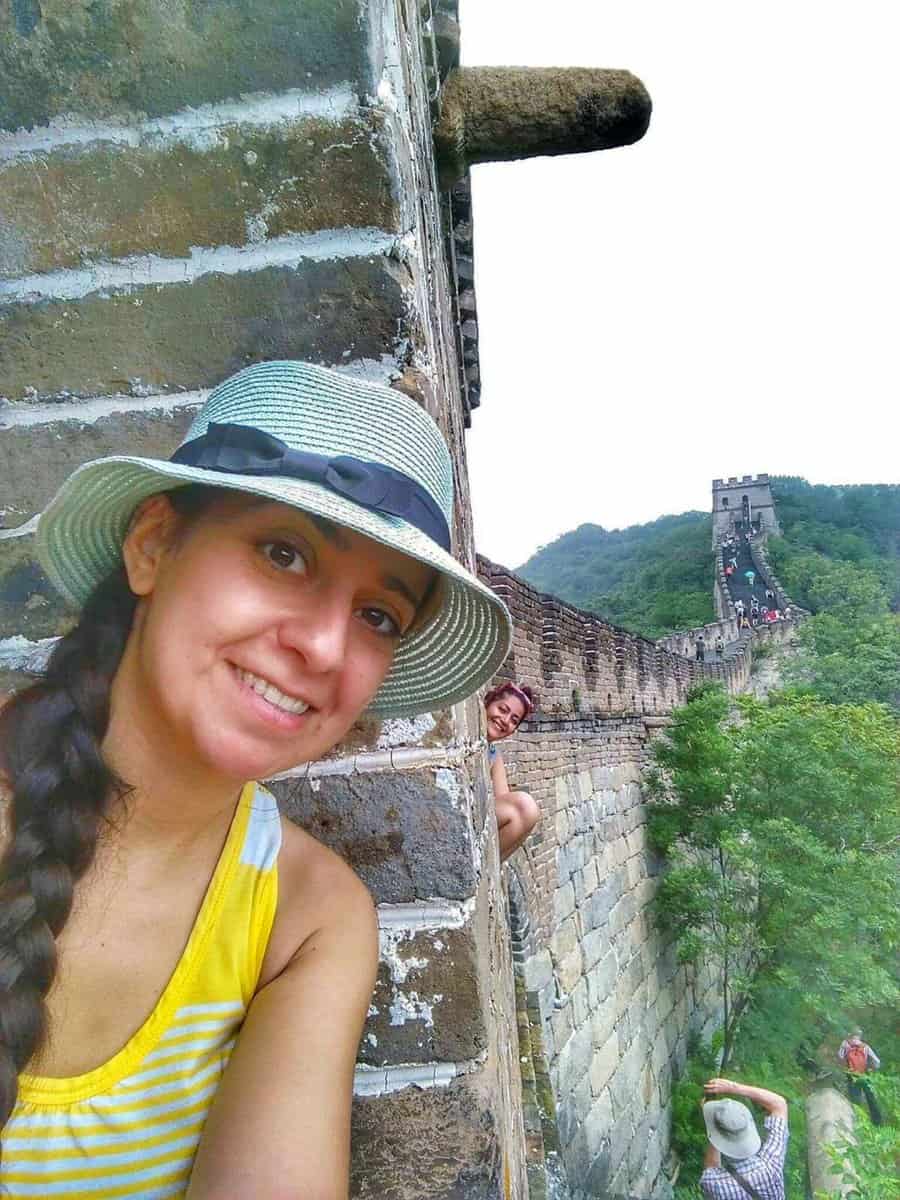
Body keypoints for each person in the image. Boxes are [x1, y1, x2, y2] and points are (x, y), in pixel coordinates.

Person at [0, 360, 511, 1196]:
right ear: (153, 546)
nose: (325, 648)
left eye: (377, 615)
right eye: (283, 554)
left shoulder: (307, 918)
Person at [700, 1077, 789, 1199]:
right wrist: (732, 1087)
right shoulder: (771, 1165)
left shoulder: (714, 1183)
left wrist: (712, 1122)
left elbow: (712, 1165)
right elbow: (779, 1104)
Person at [485, 683, 540, 860]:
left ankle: (485, 866)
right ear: (487, 703)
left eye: (514, 720)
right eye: (502, 710)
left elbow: (503, 802)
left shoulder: (493, 755)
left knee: (526, 811)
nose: (505, 720)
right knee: (524, 807)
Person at [839, 1029, 883, 1124]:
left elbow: (840, 1057)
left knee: (855, 1101)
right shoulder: (865, 1047)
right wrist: (871, 1068)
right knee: (871, 1098)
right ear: (860, 1036)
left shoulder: (846, 1045)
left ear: (850, 1035)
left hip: (851, 1075)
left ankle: (856, 1122)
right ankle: (877, 1122)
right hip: (864, 1075)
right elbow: (877, 1062)